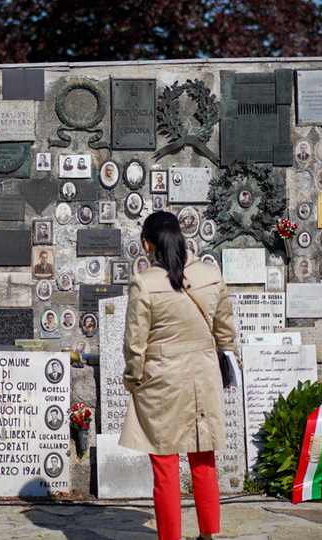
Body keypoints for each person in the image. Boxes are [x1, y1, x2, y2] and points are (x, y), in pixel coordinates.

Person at [120, 211, 236, 540]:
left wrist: (132, 379)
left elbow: (135, 345)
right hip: (203, 377)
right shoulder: (212, 274)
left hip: (161, 381)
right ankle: (208, 534)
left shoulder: (145, 282)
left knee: (166, 465)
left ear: (147, 244)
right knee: (203, 458)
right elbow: (226, 334)